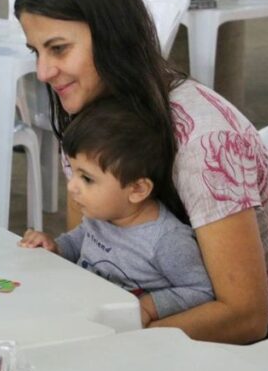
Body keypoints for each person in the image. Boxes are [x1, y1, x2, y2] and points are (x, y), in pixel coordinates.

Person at [17, 0, 268, 347]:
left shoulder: (203, 139)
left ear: (111, 35)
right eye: (36, 52)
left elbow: (245, 316)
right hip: (146, 321)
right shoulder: (86, 110)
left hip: (262, 349)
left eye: (58, 49)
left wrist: (126, 342)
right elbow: (92, 242)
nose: (43, 71)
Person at [20, 98, 213, 327]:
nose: (72, 186)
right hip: (86, 317)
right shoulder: (102, 216)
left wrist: (148, 307)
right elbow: (78, 242)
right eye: (73, 172)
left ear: (137, 189)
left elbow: (200, 290)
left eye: (87, 178)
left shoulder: (167, 240)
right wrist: (54, 246)